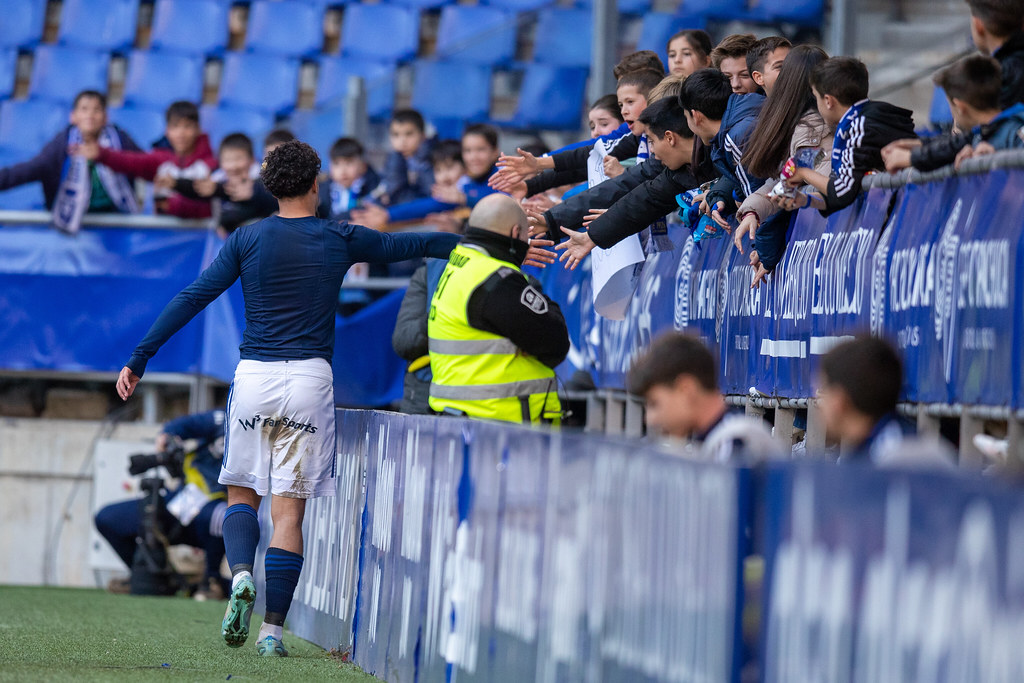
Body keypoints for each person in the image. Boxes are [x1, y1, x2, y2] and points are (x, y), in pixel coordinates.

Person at [113, 140, 460, 657]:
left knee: (240, 495)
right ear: (316, 184)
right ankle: (272, 631)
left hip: (254, 377)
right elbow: (412, 245)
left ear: (270, 187)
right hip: (310, 382)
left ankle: (241, 576)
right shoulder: (340, 236)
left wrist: (140, 357)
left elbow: (193, 297)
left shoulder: (247, 238)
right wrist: (483, 242)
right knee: (289, 515)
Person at [427, 194, 569, 424]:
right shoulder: (496, 280)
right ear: (515, 234)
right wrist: (528, 283)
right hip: (502, 428)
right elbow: (555, 341)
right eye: (526, 236)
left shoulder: (460, 264)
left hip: (463, 421)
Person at [94, 409, 229, 599]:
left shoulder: (268, 431)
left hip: (216, 512)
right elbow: (182, 425)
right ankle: (152, 575)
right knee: (106, 518)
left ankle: (211, 582)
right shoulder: (224, 419)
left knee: (223, 516)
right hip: (181, 500)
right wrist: (166, 437)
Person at [554, 95, 698, 268]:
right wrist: (590, 236)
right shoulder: (676, 172)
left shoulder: (723, 153)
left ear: (669, 137)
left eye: (651, 141)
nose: (652, 151)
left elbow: (632, 191)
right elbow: (643, 200)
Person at [734, 45, 832, 283]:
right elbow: (788, 180)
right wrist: (753, 211)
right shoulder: (803, 124)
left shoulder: (812, 128)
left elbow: (803, 182)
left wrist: (767, 247)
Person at [781, 57, 916, 216]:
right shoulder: (858, 120)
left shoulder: (860, 126)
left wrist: (803, 172)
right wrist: (805, 200)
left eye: (816, 97)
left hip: (905, 211)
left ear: (828, 101)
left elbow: (842, 192)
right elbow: (844, 192)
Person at [0, 90, 139, 233]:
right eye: (84, 109)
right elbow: (27, 171)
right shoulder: (60, 147)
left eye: (96, 110)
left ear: (105, 117)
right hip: (73, 229)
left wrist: (107, 156)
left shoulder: (120, 141)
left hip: (117, 223)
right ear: (73, 116)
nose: (90, 115)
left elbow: (145, 164)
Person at [627, 332, 781, 461]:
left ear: (685, 389)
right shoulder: (716, 440)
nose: (650, 419)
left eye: (654, 403)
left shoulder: (734, 441)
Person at [817, 337, 953, 466]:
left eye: (823, 389)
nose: (819, 402)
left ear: (839, 400)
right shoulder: (865, 453)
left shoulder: (909, 459)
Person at [73, 100, 217, 219]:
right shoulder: (160, 160)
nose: (181, 133)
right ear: (167, 131)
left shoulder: (211, 164)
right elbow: (129, 162)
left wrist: (172, 203)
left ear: (198, 129)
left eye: (187, 126)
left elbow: (210, 208)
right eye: (175, 126)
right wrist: (102, 154)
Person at [883, 55, 1024, 172]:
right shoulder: (981, 135)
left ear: (960, 107)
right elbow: (952, 145)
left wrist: (998, 159)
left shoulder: (1016, 129)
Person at [173, 133, 277, 236]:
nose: (233, 166)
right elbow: (199, 189)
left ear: (251, 159)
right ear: (220, 162)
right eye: (228, 160)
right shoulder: (217, 179)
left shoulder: (263, 180)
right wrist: (175, 184)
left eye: (238, 158)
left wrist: (255, 192)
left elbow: (259, 206)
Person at [317, 137, 381, 221]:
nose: (343, 170)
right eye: (337, 164)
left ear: (363, 166)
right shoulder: (323, 190)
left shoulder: (372, 187)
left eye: (349, 163)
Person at [381, 108, 435, 205]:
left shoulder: (433, 159)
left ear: (423, 135)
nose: (402, 141)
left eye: (409, 134)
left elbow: (429, 194)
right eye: (396, 135)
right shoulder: (393, 160)